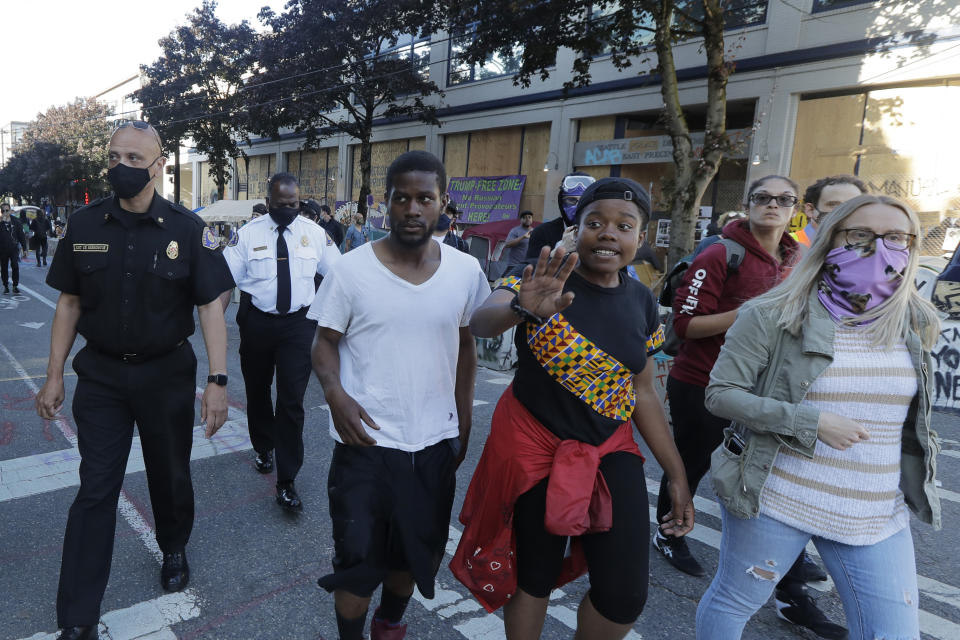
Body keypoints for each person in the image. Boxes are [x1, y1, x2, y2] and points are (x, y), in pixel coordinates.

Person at [454, 177, 694, 640]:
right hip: (534, 449)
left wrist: (677, 474)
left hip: (609, 450)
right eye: (595, 222)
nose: (608, 233)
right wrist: (523, 309)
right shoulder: (542, 275)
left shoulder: (642, 299)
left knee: (624, 594)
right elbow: (483, 322)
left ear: (639, 239)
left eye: (624, 226)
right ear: (575, 228)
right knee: (533, 578)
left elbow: (642, 391)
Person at [696, 194, 941, 639]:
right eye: (860, 235)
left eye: (895, 238)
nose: (878, 248)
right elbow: (721, 395)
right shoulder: (771, 313)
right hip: (779, 495)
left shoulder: (915, 320)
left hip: (875, 510)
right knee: (735, 601)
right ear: (830, 241)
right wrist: (812, 422)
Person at [34, 121, 235, 640]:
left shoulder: (187, 229)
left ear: (158, 165)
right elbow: (69, 302)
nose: (121, 167)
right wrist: (54, 374)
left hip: (166, 375)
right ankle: (77, 619)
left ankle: (173, 545)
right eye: (115, 156)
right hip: (100, 377)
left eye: (133, 159)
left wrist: (218, 379)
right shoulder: (84, 224)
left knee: (169, 475)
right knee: (96, 489)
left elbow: (211, 306)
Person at [654, 176, 844, 637]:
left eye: (784, 199)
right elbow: (685, 325)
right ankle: (669, 533)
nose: (773, 206)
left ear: (796, 209)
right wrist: (754, 313)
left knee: (767, 473)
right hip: (703, 381)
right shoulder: (721, 254)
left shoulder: (798, 257)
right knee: (691, 463)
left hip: (765, 393)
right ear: (748, 204)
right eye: (763, 198)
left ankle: (789, 583)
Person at [310, 150, 489, 640]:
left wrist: (463, 423)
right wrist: (335, 393)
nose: (413, 208)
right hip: (364, 442)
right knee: (358, 560)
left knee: (413, 551)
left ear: (442, 203)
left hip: (433, 443)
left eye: (424, 198)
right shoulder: (350, 271)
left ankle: (389, 627)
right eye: (401, 198)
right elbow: (324, 342)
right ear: (384, 205)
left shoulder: (465, 271)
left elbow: (467, 345)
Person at [221, 173, 340, 513]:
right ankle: (263, 445)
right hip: (257, 322)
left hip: (298, 326)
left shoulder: (315, 235)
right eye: (281, 204)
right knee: (258, 391)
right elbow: (224, 281)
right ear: (269, 200)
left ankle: (287, 481)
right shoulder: (246, 235)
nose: (288, 209)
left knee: (291, 402)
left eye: (293, 204)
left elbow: (340, 276)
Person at [526, 172, 596, 259]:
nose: (578, 207)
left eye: (583, 201)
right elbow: (526, 270)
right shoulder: (542, 232)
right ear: (561, 203)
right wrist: (559, 251)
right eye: (571, 200)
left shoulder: (602, 232)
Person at [793, 175, 867, 247]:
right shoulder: (787, 245)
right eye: (834, 205)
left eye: (853, 206)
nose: (846, 211)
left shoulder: (867, 249)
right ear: (810, 210)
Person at [1, 203, 25, 293]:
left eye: (7, 210)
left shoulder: (16, 221)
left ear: (10, 211)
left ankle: (15, 285)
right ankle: (6, 285)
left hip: (14, 248)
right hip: (2, 249)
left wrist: (25, 248)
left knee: (15, 265)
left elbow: (21, 235)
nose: (5, 212)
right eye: (3, 211)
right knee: (4, 268)